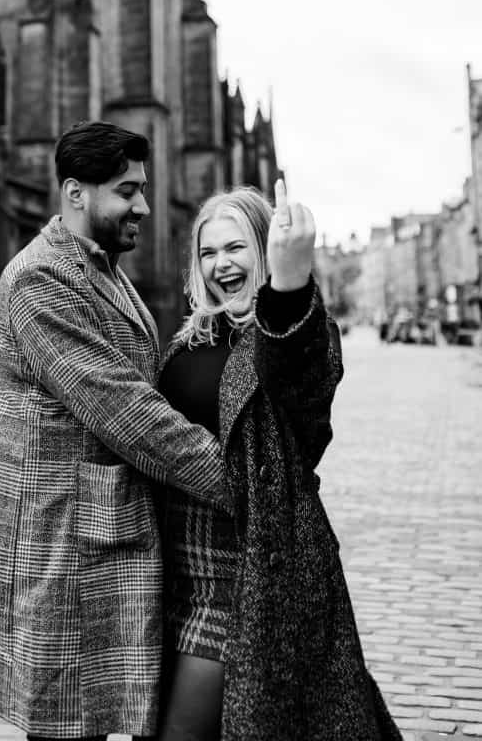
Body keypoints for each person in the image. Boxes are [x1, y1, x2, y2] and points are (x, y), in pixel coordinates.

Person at [0, 120, 231, 741]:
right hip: (64, 552)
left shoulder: (103, 268)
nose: (142, 204)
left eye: (141, 188)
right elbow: (128, 413)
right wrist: (245, 485)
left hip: (108, 534)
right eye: (127, 189)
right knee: (66, 730)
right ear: (76, 193)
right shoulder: (39, 280)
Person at [156, 181, 403, 741]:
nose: (221, 264)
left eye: (236, 247)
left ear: (266, 249)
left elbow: (305, 375)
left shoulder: (287, 333)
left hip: (248, 570)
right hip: (171, 570)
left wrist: (290, 284)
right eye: (208, 251)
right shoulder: (192, 335)